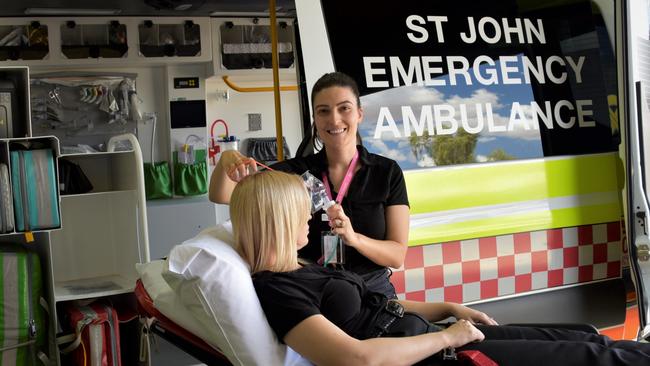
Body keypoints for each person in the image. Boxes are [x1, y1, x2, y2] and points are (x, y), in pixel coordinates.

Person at [232, 170, 650, 366]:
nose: (309, 218)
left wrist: (451, 307)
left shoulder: (301, 266)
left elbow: (382, 306)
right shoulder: (278, 290)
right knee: (590, 357)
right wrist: (449, 336)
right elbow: (357, 358)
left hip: (436, 335)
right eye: (300, 212)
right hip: (439, 356)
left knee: (582, 337)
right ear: (277, 219)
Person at [210, 71, 409, 298]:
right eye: (323, 111)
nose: (334, 120)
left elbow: (397, 256)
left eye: (344, 108)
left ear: (359, 114)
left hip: (372, 290)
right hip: (313, 288)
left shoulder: (386, 172)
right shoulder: (294, 172)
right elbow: (222, 195)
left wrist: (354, 239)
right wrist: (226, 159)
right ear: (315, 119)